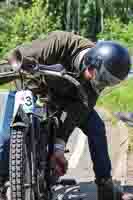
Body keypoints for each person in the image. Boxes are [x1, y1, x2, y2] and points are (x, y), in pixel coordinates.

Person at [2, 30, 133, 200]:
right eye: (103, 78)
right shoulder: (61, 42)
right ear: (92, 62)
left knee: (97, 128)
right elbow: (13, 61)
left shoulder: (94, 85)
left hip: (68, 100)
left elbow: (76, 112)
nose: (102, 84)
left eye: (110, 82)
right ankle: (2, 179)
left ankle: (106, 186)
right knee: (6, 135)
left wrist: (58, 148)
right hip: (31, 88)